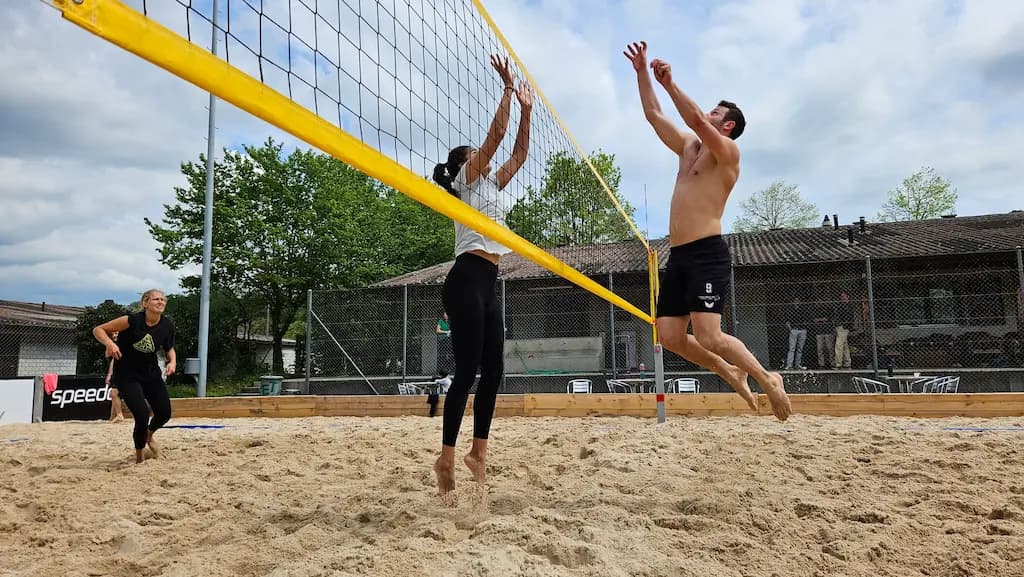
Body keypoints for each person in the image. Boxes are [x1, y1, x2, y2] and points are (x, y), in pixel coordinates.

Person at [623, 41, 790, 420]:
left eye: (716, 112)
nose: (707, 114)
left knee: (709, 335)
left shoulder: (727, 152)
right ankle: (729, 371)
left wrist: (669, 83)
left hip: (706, 254)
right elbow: (653, 114)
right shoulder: (688, 147)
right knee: (669, 336)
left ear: (727, 125)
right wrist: (642, 73)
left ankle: (767, 378)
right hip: (679, 255)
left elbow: (697, 119)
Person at [430, 53, 534, 500]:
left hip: (488, 282)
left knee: (494, 370)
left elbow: (518, 154)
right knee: (467, 370)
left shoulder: (491, 186)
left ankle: (478, 453)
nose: (482, 155)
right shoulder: (468, 181)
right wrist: (508, 90)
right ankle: (446, 458)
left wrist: (527, 111)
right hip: (465, 278)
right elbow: (495, 139)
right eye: (473, 154)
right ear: (464, 164)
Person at [92, 289, 176, 463]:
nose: (161, 302)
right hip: (127, 374)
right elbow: (98, 329)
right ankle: (140, 458)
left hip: (151, 374)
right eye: (156, 299)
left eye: (163, 299)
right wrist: (109, 344)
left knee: (164, 413)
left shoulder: (167, 325)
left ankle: (149, 435)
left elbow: (169, 348)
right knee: (142, 414)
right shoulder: (131, 320)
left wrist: (172, 362)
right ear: (145, 303)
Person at [104, 331, 125, 422]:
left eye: (116, 333)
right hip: (117, 372)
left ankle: (119, 415)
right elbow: (109, 358)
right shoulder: (111, 345)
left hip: (120, 372)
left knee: (113, 393)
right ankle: (112, 417)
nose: (115, 335)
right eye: (113, 334)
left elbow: (113, 361)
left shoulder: (121, 345)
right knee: (114, 395)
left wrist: (109, 374)